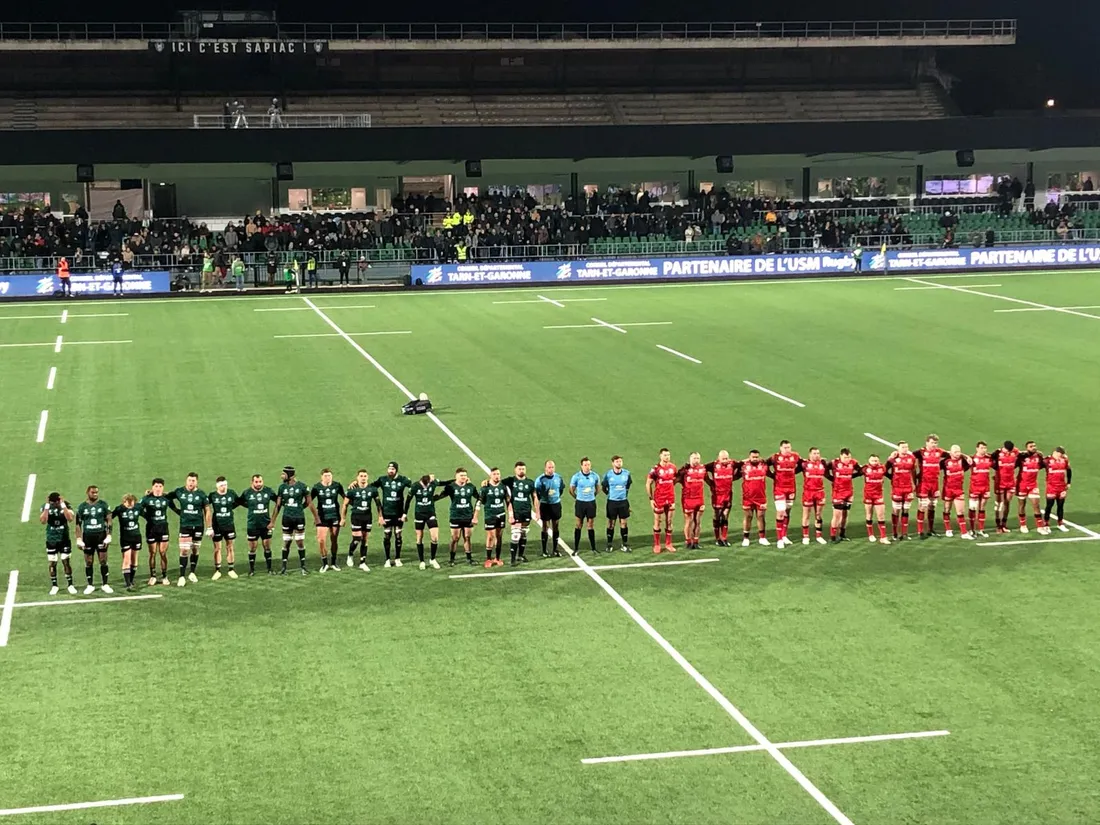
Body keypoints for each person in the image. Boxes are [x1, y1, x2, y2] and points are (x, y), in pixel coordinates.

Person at [270, 466, 317, 574]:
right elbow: (278, 505)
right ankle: (284, 567)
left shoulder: (302, 486)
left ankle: (303, 567)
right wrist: (272, 521)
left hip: (299, 518)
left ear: (290, 475)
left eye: (284, 474)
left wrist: (316, 517)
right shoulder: (282, 487)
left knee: (299, 542)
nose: (282, 476)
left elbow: (309, 502)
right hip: (286, 518)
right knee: (287, 542)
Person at [167, 472, 210, 587]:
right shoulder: (179, 491)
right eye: (190, 480)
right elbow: (167, 497)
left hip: (198, 525)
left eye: (193, 481)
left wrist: (209, 527)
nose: (191, 483)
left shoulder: (201, 494)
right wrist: (176, 510)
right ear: (186, 481)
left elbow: (207, 510)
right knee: (184, 550)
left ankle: (192, 572)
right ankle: (181, 576)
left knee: (195, 549)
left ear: (197, 482)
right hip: (185, 525)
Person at [371, 462, 412, 568]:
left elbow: (414, 487)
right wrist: (356, 483)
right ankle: (387, 559)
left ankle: (397, 558)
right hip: (387, 512)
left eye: (392, 469)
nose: (390, 470)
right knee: (387, 536)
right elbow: (370, 487)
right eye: (389, 468)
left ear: (396, 470)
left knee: (398, 536)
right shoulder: (382, 479)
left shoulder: (403, 480)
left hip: (398, 513)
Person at [435, 468, 480, 566]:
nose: (463, 477)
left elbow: (479, 498)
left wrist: (476, 513)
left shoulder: (471, 487)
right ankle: (452, 559)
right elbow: (441, 496)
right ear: (456, 476)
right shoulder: (451, 487)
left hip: (468, 516)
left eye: (464, 475)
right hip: (455, 516)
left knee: (467, 537)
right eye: (461, 475)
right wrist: (431, 499)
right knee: (455, 538)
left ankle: (469, 559)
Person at [74, 485, 113, 595]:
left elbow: (109, 520)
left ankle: (105, 584)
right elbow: (77, 524)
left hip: (101, 536)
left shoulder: (103, 505)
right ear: (87, 492)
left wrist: (109, 535)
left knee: (103, 560)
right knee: (89, 561)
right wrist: (78, 538)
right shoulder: (82, 507)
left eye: (96, 492)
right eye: (93, 492)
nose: (95, 494)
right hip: (88, 537)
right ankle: (90, 585)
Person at [238, 474, 277, 575]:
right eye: (256, 482)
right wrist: (250, 506)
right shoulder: (247, 493)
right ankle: (252, 570)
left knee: (267, 546)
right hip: (252, 525)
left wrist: (272, 520)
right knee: (252, 547)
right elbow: (240, 502)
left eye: (260, 481)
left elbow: (278, 501)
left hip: (266, 524)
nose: (258, 484)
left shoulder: (268, 491)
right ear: (252, 482)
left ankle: (269, 568)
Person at [341, 469, 378, 571]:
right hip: (356, 517)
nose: (363, 478)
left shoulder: (372, 490)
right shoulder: (352, 490)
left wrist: (380, 517)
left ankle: (362, 562)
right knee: (357, 539)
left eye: (365, 476)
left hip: (368, 517)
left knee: (365, 540)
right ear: (357, 478)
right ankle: (350, 554)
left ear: (367, 477)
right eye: (361, 476)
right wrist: (343, 519)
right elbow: (345, 505)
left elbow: (378, 504)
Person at [41, 491, 77, 595]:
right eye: (52, 503)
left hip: (64, 539)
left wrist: (63, 505)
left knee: (66, 561)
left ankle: (70, 584)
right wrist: (47, 507)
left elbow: (70, 518)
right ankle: (54, 585)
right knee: (52, 562)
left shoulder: (66, 505)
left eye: (55, 503)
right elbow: (43, 520)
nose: (54, 505)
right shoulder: (46, 507)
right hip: (51, 539)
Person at [503, 461, 538, 564]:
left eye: (523, 469)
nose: (521, 470)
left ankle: (521, 555)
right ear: (515, 470)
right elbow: (497, 483)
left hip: (526, 511)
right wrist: (486, 482)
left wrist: (537, 511)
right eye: (519, 469)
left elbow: (535, 497)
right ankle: (513, 559)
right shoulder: (510, 481)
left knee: (523, 533)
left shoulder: (530, 483)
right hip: (516, 511)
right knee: (516, 534)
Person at [767, 440, 800, 548]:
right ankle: (779, 539)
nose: (787, 449)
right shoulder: (775, 457)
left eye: (789, 447)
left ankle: (784, 535)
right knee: (780, 512)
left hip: (791, 488)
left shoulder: (795, 456)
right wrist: (773, 475)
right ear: (780, 448)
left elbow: (802, 465)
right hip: (779, 489)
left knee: (787, 512)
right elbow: (765, 465)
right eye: (785, 447)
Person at [311, 469, 345, 572]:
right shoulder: (317, 487)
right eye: (325, 476)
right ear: (321, 477)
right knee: (321, 540)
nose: (327, 477)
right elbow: (309, 500)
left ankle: (334, 563)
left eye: (329, 475)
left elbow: (346, 497)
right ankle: (325, 563)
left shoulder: (337, 485)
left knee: (334, 539)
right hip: (322, 517)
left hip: (334, 516)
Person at [406, 474, 442, 569]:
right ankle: (421, 561)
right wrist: (404, 513)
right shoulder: (415, 486)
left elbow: (443, 483)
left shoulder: (432, 483)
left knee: (435, 537)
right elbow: (408, 500)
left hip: (430, 513)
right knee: (419, 537)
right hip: (419, 514)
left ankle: (432, 559)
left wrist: (456, 480)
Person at [139, 479, 172, 585]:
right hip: (151, 529)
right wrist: (147, 517)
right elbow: (138, 508)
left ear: (163, 487)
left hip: (163, 528)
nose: (158, 488)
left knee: (163, 553)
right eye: (156, 486)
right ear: (152, 487)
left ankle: (164, 576)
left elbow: (175, 508)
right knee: (152, 553)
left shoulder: (166, 498)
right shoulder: (146, 499)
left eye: (160, 486)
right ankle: (153, 576)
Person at [208, 477, 241, 580]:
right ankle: (217, 570)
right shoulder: (212, 495)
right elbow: (205, 505)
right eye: (222, 485)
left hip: (229, 525)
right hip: (216, 526)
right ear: (217, 486)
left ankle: (231, 569)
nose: (224, 487)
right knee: (217, 548)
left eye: (225, 485)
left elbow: (238, 502)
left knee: (230, 547)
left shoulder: (231, 493)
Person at [646, 448, 677, 553]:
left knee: (669, 520)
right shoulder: (655, 469)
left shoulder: (673, 467)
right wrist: (651, 499)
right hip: (659, 498)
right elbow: (648, 483)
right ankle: (657, 544)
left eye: (668, 455)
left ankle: (668, 543)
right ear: (660, 456)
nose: (667, 457)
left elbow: (676, 479)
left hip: (670, 497)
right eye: (665, 455)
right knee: (658, 521)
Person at [914, 434, 945, 539]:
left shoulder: (939, 452)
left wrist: (965, 456)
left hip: (934, 483)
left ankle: (931, 529)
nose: (934, 445)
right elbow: (909, 455)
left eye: (936, 443)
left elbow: (952, 454)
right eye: (932, 443)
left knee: (932, 506)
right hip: (924, 483)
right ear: (927, 442)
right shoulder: (920, 452)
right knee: (923, 506)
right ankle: (920, 531)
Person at [885, 442, 917, 540]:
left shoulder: (911, 458)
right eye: (903, 447)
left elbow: (913, 472)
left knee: (906, 510)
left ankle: (904, 533)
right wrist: (892, 478)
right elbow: (884, 470)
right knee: (896, 510)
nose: (905, 449)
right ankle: (895, 533)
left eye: (906, 447)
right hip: (897, 488)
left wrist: (914, 484)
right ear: (898, 448)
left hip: (908, 488)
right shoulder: (893, 459)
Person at [111, 493, 143, 591]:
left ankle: (131, 580)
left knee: (134, 559)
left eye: (131, 503)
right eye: (127, 503)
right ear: (124, 502)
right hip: (125, 538)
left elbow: (147, 516)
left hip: (136, 536)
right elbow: (109, 517)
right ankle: (128, 583)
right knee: (127, 559)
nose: (129, 505)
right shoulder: (119, 509)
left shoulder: (138, 508)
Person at [1015, 442, 1048, 534]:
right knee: (1022, 504)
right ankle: (1023, 525)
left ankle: (1040, 527)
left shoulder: (1039, 456)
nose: (1034, 447)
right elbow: (1012, 466)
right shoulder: (1022, 457)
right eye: (1031, 446)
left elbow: (1043, 465)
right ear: (1027, 448)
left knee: (1036, 505)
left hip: (1033, 484)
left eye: (1034, 446)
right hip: (1021, 484)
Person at [828, 449, 861, 542]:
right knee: (837, 515)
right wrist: (832, 478)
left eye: (849, 457)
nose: (847, 459)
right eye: (845, 457)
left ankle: (842, 534)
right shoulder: (834, 463)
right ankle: (833, 536)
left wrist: (852, 476)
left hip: (849, 492)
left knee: (846, 514)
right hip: (838, 492)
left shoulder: (853, 463)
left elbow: (860, 471)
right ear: (840, 456)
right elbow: (825, 470)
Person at [480, 467, 511, 567]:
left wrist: (511, 515)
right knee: (490, 536)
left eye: (498, 474)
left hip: (501, 514)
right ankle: (488, 559)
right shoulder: (485, 487)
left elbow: (508, 501)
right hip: (490, 515)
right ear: (490, 475)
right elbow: (481, 501)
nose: (497, 476)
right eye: (494, 474)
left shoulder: (503, 487)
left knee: (499, 536)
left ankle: (497, 558)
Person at [569, 457, 600, 554]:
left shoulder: (595, 476)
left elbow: (598, 488)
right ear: (581, 466)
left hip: (591, 503)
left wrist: (592, 496)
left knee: (590, 525)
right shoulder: (576, 476)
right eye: (585, 465)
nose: (587, 467)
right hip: (580, 503)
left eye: (589, 465)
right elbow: (571, 490)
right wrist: (578, 497)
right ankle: (576, 548)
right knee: (579, 524)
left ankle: (593, 548)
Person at [534, 460, 565, 557]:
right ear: (545, 468)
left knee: (556, 526)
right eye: (549, 467)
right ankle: (544, 550)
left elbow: (561, 489)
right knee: (545, 526)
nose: (551, 469)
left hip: (555, 504)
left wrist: (555, 497)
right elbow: (537, 494)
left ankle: (555, 549)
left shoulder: (558, 477)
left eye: (552, 467)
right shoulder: (540, 480)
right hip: (545, 505)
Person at [677, 452, 707, 550]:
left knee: (697, 521)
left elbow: (708, 480)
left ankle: (696, 541)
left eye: (698, 458)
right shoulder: (685, 470)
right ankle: (688, 541)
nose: (696, 460)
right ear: (690, 459)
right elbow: (675, 480)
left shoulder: (702, 469)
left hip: (699, 498)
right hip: (688, 499)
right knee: (689, 521)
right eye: (694, 458)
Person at [940, 446, 972, 539]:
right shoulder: (945, 462)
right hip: (948, 490)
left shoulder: (963, 461)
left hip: (958, 490)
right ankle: (948, 529)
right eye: (955, 452)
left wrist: (964, 456)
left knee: (960, 511)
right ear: (951, 453)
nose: (957, 454)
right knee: (947, 509)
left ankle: (964, 533)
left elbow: (971, 462)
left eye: (959, 452)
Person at [705, 450, 735, 547]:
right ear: (718, 458)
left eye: (727, 458)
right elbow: (702, 469)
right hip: (717, 495)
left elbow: (742, 464)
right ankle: (717, 538)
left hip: (728, 494)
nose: (725, 460)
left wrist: (734, 477)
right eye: (723, 459)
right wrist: (709, 482)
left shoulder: (732, 464)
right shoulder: (713, 465)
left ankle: (724, 538)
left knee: (725, 515)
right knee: (717, 516)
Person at [601, 456, 632, 552]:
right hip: (612, 502)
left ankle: (625, 544)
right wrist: (609, 494)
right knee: (611, 523)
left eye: (620, 461)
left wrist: (624, 495)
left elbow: (628, 485)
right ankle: (609, 544)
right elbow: (604, 486)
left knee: (623, 522)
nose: (619, 463)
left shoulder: (626, 474)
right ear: (613, 463)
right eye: (617, 461)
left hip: (623, 502)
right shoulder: (608, 474)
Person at [739, 450, 769, 547]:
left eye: (756, 457)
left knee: (761, 517)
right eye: (753, 457)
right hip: (748, 497)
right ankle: (746, 538)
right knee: (748, 517)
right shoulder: (744, 467)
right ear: (749, 457)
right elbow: (735, 474)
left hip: (761, 497)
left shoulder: (764, 466)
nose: (755, 459)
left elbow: (772, 470)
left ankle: (762, 537)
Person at [799, 447, 828, 545]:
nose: (817, 455)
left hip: (820, 492)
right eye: (814, 453)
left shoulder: (823, 463)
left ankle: (819, 536)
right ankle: (805, 536)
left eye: (818, 453)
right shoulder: (804, 464)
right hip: (808, 492)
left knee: (818, 515)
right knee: (806, 515)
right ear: (810, 454)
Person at [967, 442, 994, 538]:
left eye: (985, 448)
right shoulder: (972, 459)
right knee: (973, 508)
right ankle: (972, 529)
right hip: (974, 487)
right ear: (977, 448)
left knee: (982, 508)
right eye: (982, 448)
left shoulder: (988, 459)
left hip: (985, 487)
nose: (984, 450)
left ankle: (981, 529)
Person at [861, 455, 890, 544]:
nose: (875, 462)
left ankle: (883, 537)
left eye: (876, 460)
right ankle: (871, 534)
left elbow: (889, 472)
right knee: (869, 514)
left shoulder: (882, 468)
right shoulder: (865, 469)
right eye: (873, 460)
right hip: (868, 495)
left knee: (881, 515)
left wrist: (890, 458)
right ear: (869, 461)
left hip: (878, 495)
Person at [1043, 447, 1072, 532]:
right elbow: (1039, 465)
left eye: (1062, 454)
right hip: (1051, 487)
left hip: (1062, 487)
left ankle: (1060, 523)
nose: (1061, 455)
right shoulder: (1047, 460)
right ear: (1055, 452)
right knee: (1049, 506)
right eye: (1060, 453)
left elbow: (1069, 470)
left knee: (1060, 506)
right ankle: (1046, 524)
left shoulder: (1064, 460)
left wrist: (1069, 482)